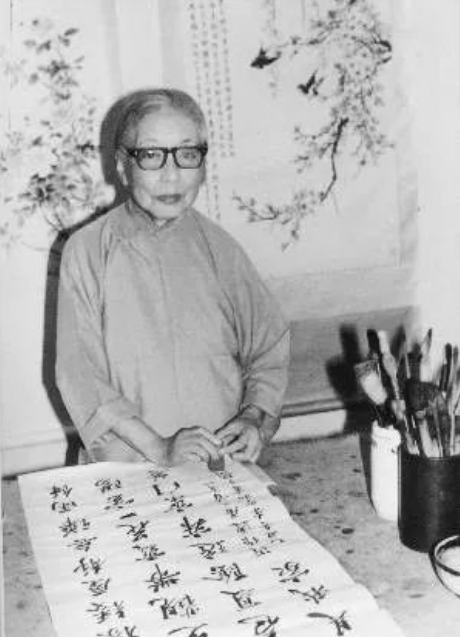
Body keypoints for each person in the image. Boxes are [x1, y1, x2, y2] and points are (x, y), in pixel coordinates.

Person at [56, 88, 290, 468]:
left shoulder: (221, 248)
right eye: (151, 155)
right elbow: (80, 374)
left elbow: (269, 347)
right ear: (122, 166)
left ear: (203, 165)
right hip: (128, 467)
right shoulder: (87, 251)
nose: (171, 175)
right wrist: (159, 447)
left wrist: (252, 418)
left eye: (187, 154)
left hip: (219, 467)